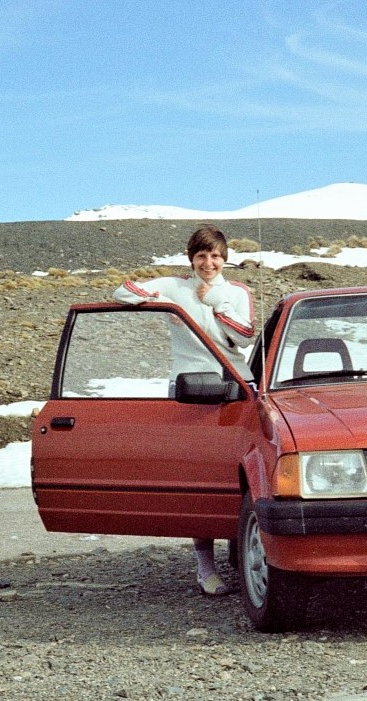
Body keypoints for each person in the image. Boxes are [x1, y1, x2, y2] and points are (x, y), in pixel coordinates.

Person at [112, 225, 255, 596]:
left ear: (226, 259)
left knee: (243, 471)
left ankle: (245, 551)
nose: (209, 263)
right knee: (201, 475)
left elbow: (244, 335)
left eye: (216, 256)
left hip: (238, 385)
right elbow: (122, 291)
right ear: (191, 258)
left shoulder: (237, 292)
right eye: (202, 256)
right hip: (191, 388)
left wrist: (213, 304)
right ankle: (205, 567)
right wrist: (164, 305)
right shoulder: (175, 286)